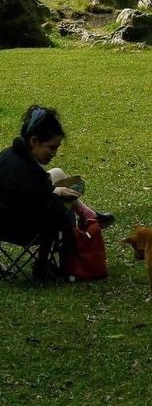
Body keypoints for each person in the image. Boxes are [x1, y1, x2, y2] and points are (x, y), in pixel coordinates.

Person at [0, 105, 114, 278]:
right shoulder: (32, 175)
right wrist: (57, 196)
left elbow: (29, 196)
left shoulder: (8, 155)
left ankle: (88, 213)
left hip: (5, 219)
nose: (54, 153)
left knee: (57, 173)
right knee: (63, 206)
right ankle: (65, 257)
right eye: (51, 147)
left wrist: (53, 191)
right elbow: (45, 208)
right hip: (20, 228)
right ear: (34, 141)